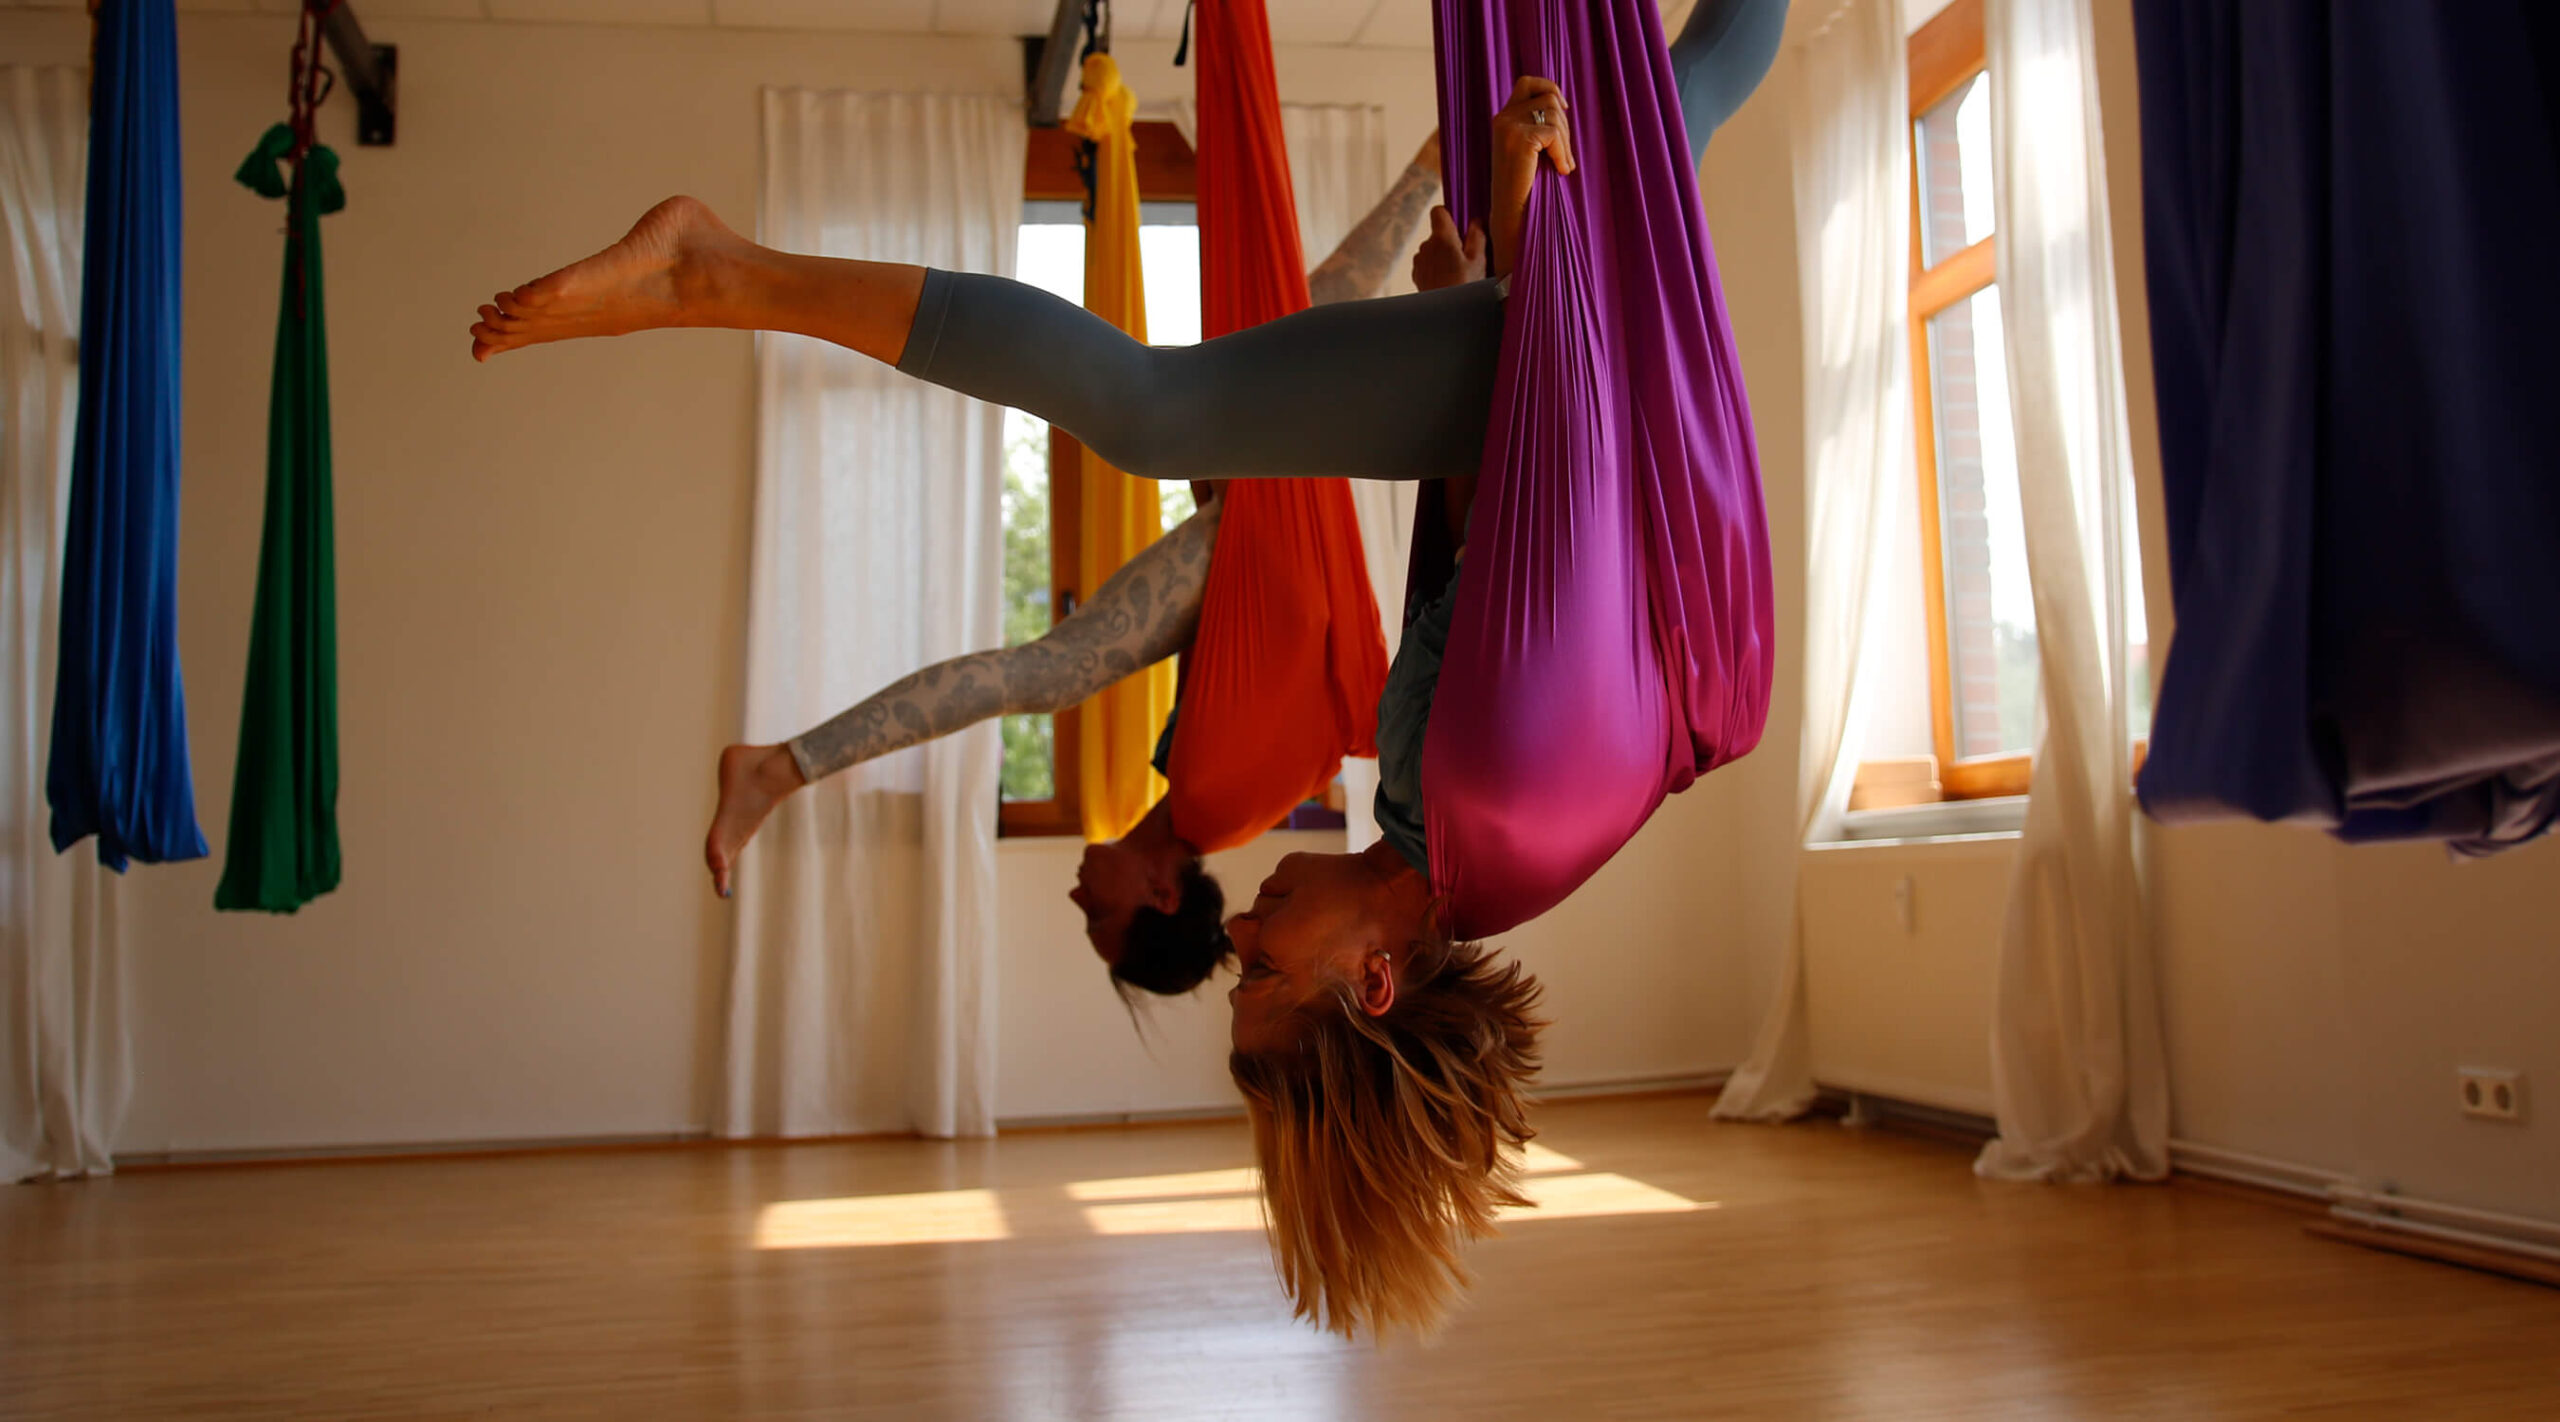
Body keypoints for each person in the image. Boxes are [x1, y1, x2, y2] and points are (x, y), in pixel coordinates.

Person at [470, 0, 1787, 1336]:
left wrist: (1484, 272)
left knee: (1709, 79)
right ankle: (712, 273)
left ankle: (718, 278)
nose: (1246, 935)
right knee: (1153, 411)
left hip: (1552, 368)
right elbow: (1582, 474)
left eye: (1231, 968)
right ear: (1373, 984)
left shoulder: (1424, 826)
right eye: (1269, 977)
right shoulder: (1499, 801)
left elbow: (1473, 556)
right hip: (1597, 373)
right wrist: (1519, 229)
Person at [696, 140, 1445, 999]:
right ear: (1162, 895)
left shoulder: (1207, 797)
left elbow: (1300, 670)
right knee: (1049, 670)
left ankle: (1423, 170)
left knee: (1302, 337)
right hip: (1277, 530)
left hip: (1274, 525)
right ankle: (778, 769)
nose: (1076, 896)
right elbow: (1305, 637)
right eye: (1100, 917)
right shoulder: (1216, 796)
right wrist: (1254, 493)